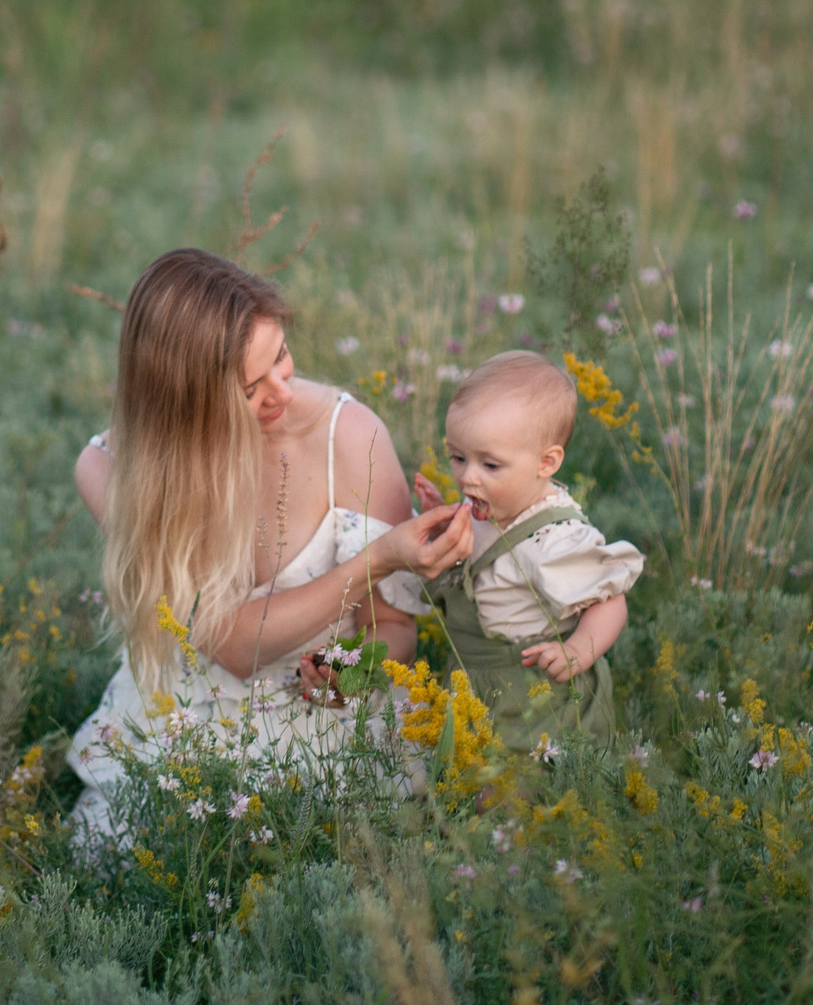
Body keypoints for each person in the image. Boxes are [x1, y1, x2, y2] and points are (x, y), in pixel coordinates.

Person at [63, 248, 471, 834]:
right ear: (186, 404)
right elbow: (227, 643)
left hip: (323, 734)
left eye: (281, 357)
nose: (282, 390)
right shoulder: (112, 468)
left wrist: (350, 678)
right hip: (181, 727)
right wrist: (379, 558)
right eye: (250, 389)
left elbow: (396, 631)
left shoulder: (349, 438)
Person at [397, 350, 644, 748]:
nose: (467, 477)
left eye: (490, 465)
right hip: (473, 683)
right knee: (460, 780)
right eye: (457, 458)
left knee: (518, 788)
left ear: (546, 463)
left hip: (534, 693)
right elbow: (463, 577)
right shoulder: (482, 512)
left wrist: (578, 650)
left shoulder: (555, 539)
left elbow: (610, 601)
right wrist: (441, 528)